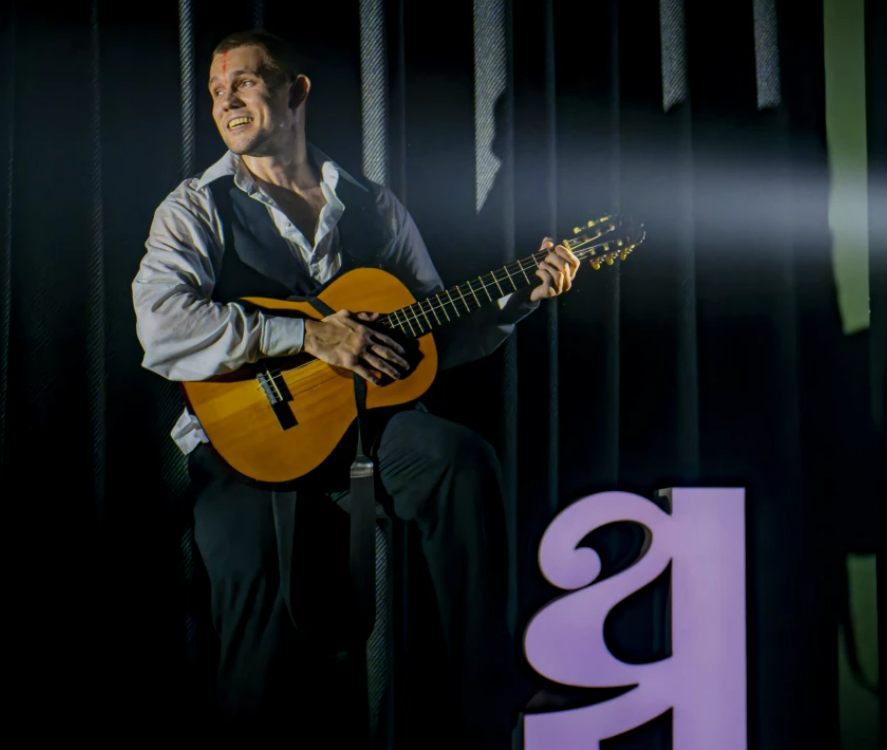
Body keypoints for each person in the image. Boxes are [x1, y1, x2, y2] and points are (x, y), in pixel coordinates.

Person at [132, 29, 579, 748]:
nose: (227, 101)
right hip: (242, 440)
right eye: (217, 91)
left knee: (460, 460)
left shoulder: (374, 206)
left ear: (296, 92)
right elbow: (162, 327)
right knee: (257, 630)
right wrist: (310, 335)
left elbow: (434, 332)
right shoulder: (195, 207)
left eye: (244, 82)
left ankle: (490, 694)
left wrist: (518, 298)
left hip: (365, 429)